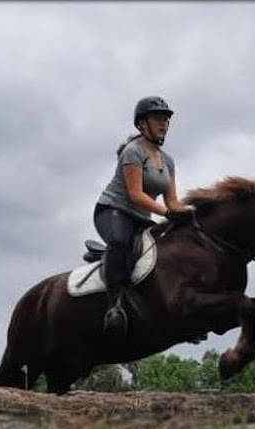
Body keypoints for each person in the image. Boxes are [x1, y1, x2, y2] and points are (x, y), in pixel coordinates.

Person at [93, 96, 193, 335]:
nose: (164, 124)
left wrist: (190, 216)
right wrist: (168, 213)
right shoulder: (133, 151)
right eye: (158, 119)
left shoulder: (167, 161)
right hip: (113, 211)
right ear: (142, 124)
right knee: (120, 242)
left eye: (166, 120)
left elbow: (172, 201)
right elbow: (136, 195)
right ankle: (114, 305)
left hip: (141, 217)